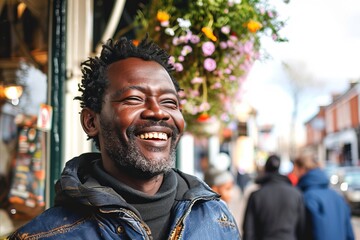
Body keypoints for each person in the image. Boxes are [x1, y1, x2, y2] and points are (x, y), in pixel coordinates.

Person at [8, 36, 241, 239]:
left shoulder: (217, 218)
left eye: (169, 102)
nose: (158, 112)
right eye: (134, 99)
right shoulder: (44, 236)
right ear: (91, 122)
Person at [242, 154, 305, 240]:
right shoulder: (296, 194)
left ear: (265, 169)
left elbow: (248, 230)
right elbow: (302, 228)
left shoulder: (256, 195)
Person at [293, 154, 355, 240]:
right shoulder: (337, 197)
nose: (294, 174)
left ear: (301, 169)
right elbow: (349, 234)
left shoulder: (306, 197)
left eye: (295, 170)